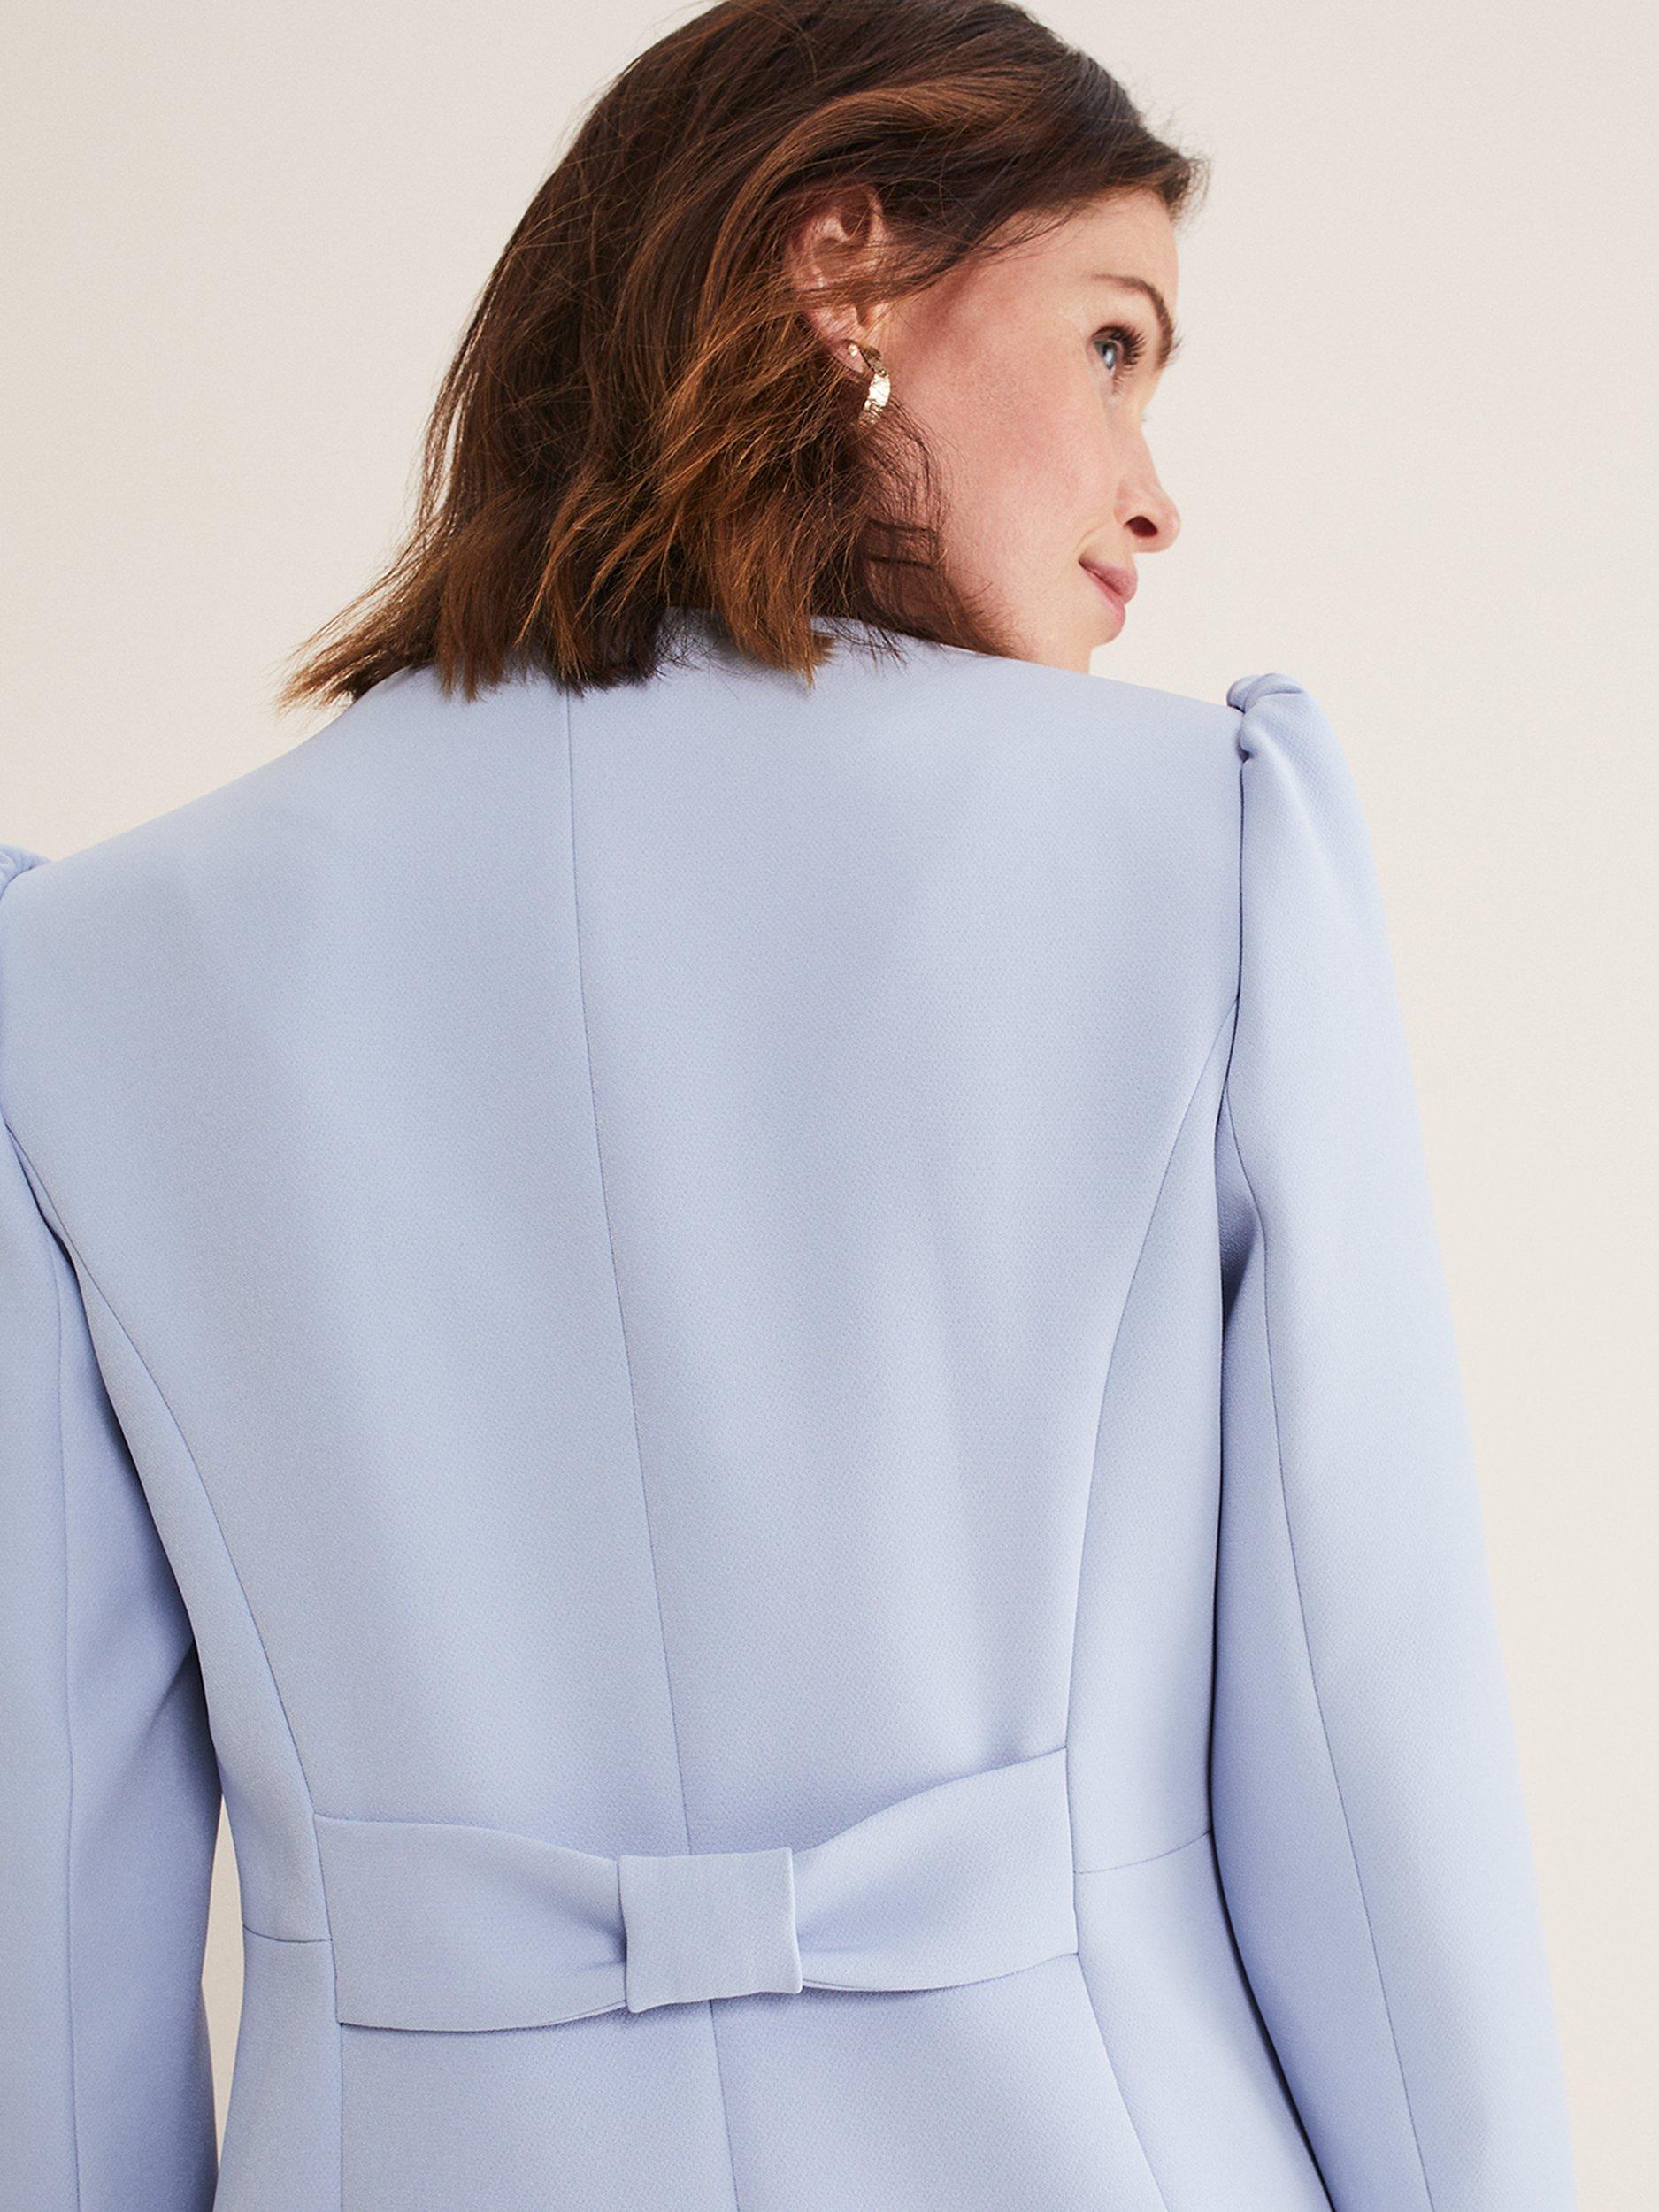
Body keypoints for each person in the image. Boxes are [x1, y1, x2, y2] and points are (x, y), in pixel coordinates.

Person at [0, 2, 1578, 2207]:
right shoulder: (1198, 844)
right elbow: (1358, 1728)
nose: (1152, 489)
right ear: (840, 270)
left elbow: (54, 1932)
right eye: (1110, 342)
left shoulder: (87, 973)